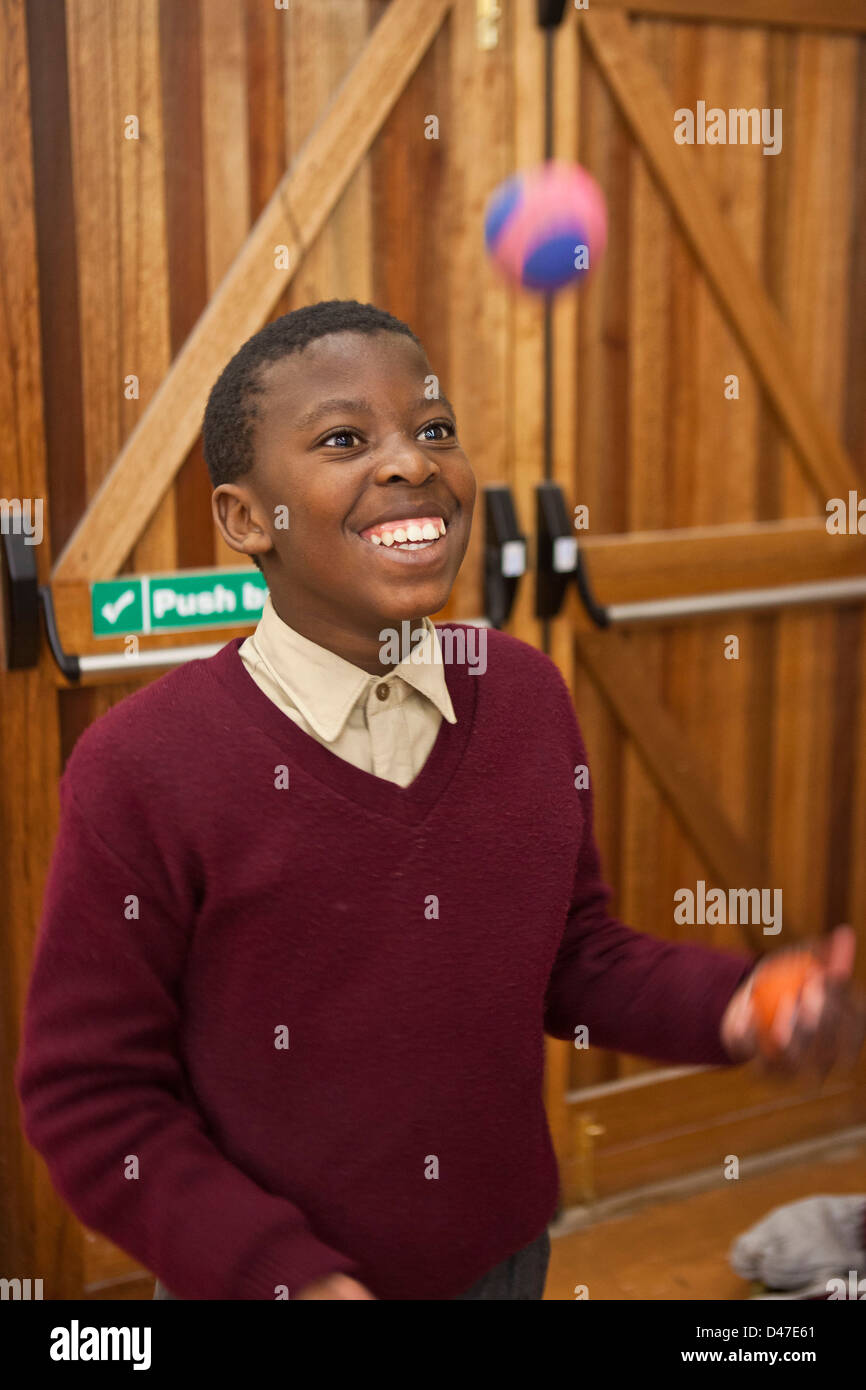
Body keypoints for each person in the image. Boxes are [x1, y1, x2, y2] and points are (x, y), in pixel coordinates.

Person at [15, 300, 865, 1301]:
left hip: (502, 1262)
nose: (411, 463)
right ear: (247, 518)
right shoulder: (144, 764)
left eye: (433, 430)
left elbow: (571, 954)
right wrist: (285, 1278)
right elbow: (91, 1097)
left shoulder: (521, 694)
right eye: (344, 438)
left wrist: (736, 1006)